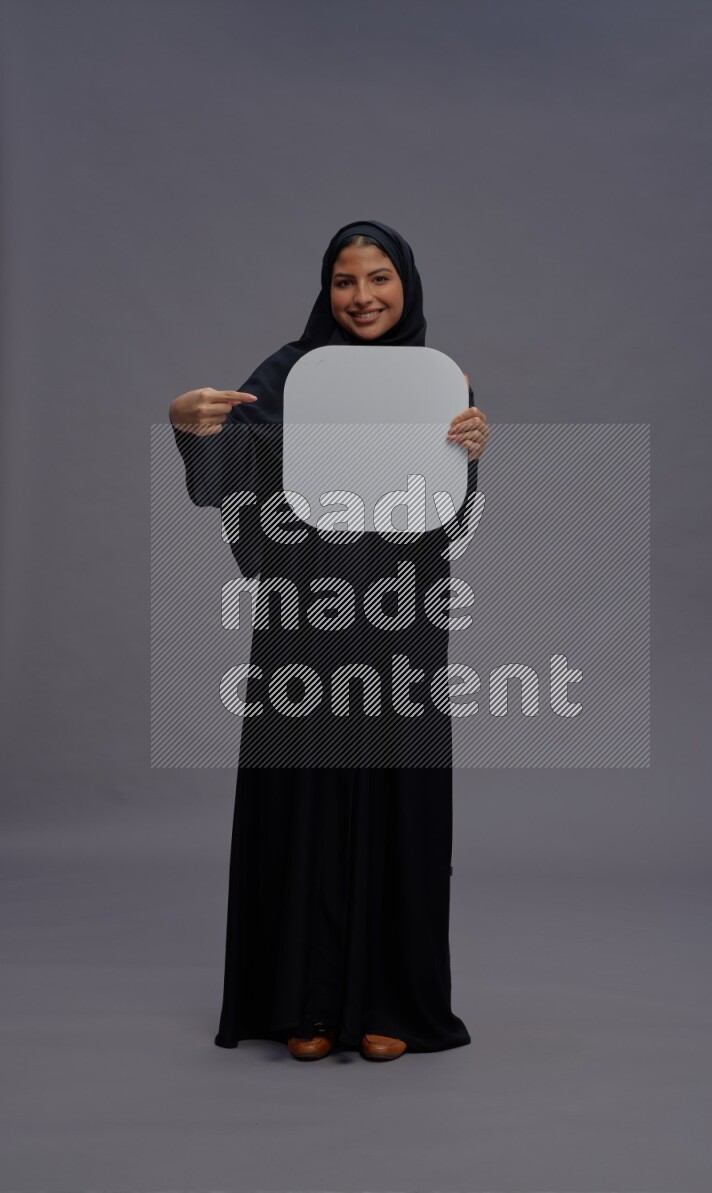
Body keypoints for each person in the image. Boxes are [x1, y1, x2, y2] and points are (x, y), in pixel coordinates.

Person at [169, 220, 490, 1061]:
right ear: (327, 289)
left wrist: (471, 454)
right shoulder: (291, 374)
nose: (363, 297)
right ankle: (304, 1003)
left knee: (396, 795)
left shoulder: (440, 377)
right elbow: (219, 485)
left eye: (378, 278)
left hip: (402, 614)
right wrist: (189, 425)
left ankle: (390, 1002)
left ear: (406, 285)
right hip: (303, 612)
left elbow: (448, 520)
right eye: (346, 281)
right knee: (303, 790)